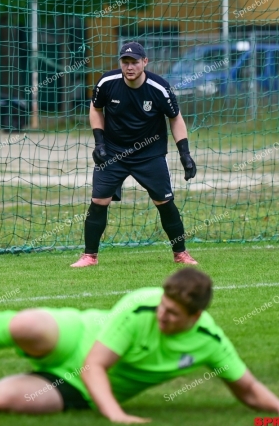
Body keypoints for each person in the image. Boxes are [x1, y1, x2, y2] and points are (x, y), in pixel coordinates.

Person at [0, 269, 279, 423]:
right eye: (163, 307)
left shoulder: (209, 340)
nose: (162, 316)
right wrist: (117, 416)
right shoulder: (139, 306)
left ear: (194, 319)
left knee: (3, 401)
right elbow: (95, 365)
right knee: (27, 323)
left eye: (173, 315)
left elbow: (247, 389)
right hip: (80, 339)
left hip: (83, 386)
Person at [73, 41, 198, 268]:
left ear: (145, 62)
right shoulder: (107, 82)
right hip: (113, 152)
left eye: (134, 62)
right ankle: (89, 256)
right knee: (99, 200)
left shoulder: (159, 88)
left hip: (150, 154)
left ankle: (181, 253)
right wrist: (99, 142)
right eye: (125, 62)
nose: (129, 67)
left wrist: (185, 154)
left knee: (164, 202)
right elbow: (95, 107)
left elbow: (175, 117)